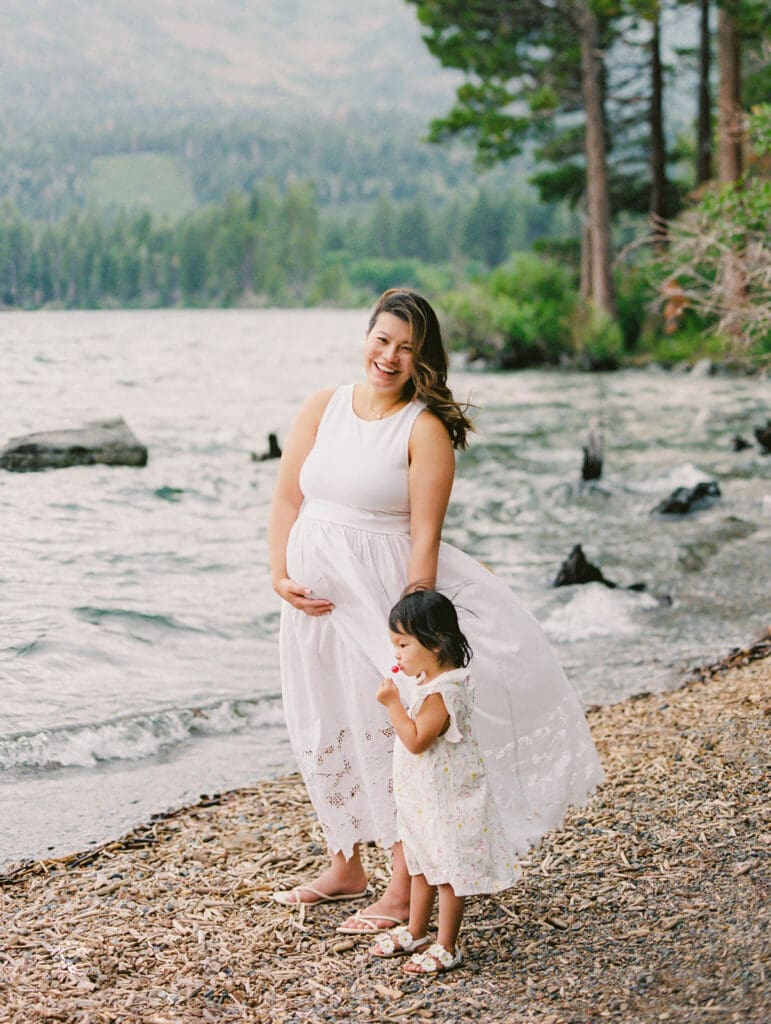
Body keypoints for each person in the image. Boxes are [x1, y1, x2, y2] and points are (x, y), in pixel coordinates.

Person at [268, 288, 603, 933]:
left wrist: (410, 632)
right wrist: (279, 575)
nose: (389, 357)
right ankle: (345, 865)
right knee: (322, 718)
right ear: (365, 336)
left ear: (422, 360)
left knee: (389, 734)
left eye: (406, 349)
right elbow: (286, 501)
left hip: (381, 599)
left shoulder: (423, 429)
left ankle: (402, 886)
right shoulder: (322, 407)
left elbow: (424, 538)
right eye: (382, 340)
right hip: (311, 604)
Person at [370, 589, 522, 974]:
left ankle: (446, 944)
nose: (397, 654)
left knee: (448, 872)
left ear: (435, 644)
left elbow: (418, 740)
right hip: (426, 797)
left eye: (403, 644)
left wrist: (392, 705)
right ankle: (417, 930)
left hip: (448, 800)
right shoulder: (431, 683)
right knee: (421, 863)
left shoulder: (443, 691)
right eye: (395, 645)